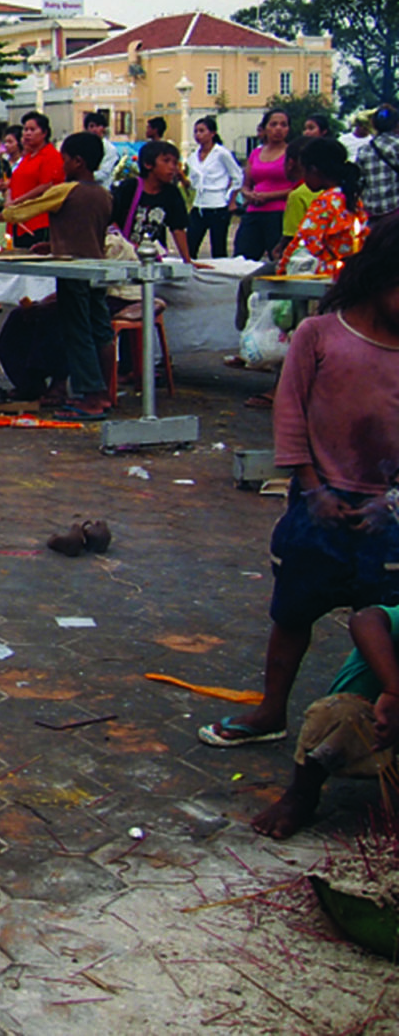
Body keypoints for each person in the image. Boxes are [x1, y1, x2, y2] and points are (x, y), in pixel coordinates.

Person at [200, 216, 399, 749]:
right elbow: (290, 416)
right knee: (293, 611)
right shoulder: (320, 334)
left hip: (389, 516)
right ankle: (272, 710)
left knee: (384, 623)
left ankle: (376, 727)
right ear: (380, 275)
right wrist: (313, 488)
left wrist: (394, 502)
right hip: (316, 507)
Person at [0, 135, 116, 417]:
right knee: (101, 331)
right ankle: (105, 393)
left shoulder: (66, 191)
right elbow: (87, 233)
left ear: (78, 162)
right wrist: (54, 244)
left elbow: (22, 212)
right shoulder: (104, 195)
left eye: (65, 160)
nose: (62, 165)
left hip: (73, 270)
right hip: (97, 268)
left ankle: (90, 397)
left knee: (78, 332)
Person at [250, 603, 399, 839]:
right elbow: (364, 620)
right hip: (372, 717)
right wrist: (393, 690)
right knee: (335, 715)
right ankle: (301, 796)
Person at [290, 138, 368, 276]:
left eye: (304, 171)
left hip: (324, 272)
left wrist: (282, 264)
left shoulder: (325, 203)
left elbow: (306, 241)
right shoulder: (353, 199)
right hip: (353, 270)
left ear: (314, 170)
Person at [110, 140, 195, 262]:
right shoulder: (129, 187)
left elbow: (178, 228)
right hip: (124, 255)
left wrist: (187, 260)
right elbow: (112, 220)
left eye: (175, 163)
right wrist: (126, 245)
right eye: (166, 161)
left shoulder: (172, 193)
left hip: (153, 256)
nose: (172, 167)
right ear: (148, 164)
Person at [236, 108, 295, 259]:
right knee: (243, 257)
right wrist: (249, 195)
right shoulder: (256, 153)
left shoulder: (292, 154)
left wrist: (268, 196)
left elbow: (297, 187)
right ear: (265, 128)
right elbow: (246, 184)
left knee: (278, 258)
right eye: (273, 124)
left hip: (279, 213)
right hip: (254, 211)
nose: (278, 129)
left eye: (283, 125)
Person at [186, 116, 243, 258]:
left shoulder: (221, 153)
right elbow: (194, 182)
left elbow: (238, 176)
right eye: (196, 132)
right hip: (199, 204)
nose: (198, 135)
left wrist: (231, 198)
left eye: (202, 131)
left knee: (218, 246)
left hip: (218, 204)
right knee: (190, 243)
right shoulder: (193, 157)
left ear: (212, 133)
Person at [5, 112, 63, 250]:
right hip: (19, 220)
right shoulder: (27, 157)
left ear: (44, 133)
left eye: (32, 130)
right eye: (25, 129)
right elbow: (12, 183)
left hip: (38, 221)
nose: (27, 133)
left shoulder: (51, 156)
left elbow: (46, 186)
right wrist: (8, 200)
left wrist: (18, 201)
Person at [354, 102, 399, 226]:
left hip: (372, 215)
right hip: (395, 212)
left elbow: (359, 181)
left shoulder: (364, 150)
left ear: (373, 124)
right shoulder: (396, 146)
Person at [82, 111, 122, 186]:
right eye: (91, 126)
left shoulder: (110, 149)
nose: (94, 129)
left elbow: (104, 173)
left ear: (103, 128)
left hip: (103, 189)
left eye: (98, 126)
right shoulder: (82, 146)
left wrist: (83, 177)